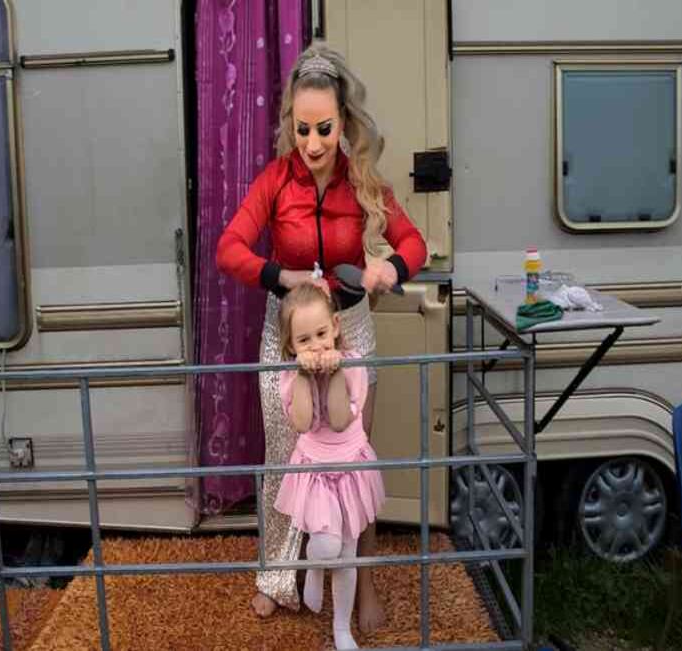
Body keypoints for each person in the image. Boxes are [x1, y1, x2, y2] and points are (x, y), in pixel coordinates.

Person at [216, 43, 428, 629]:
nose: (313, 144)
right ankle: (280, 575)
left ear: (345, 123)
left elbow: (416, 245)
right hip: (285, 334)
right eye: (302, 129)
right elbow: (228, 248)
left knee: (354, 459)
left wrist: (390, 269)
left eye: (325, 129)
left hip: (351, 329)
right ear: (291, 124)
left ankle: (362, 587)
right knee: (287, 456)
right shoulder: (275, 181)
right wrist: (278, 275)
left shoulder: (363, 183)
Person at [273, 283, 385, 649]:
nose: (317, 345)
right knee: (324, 544)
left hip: (350, 463)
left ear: (336, 326)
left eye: (322, 334)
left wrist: (335, 371)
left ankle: (341, 628)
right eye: (304, 340)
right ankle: (315, 565)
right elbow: (304, 423)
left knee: (347, 552)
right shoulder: (290, 375)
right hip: (315, 468)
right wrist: (305, 375)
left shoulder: (352, 366)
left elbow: (339, 420)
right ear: (292, 347)